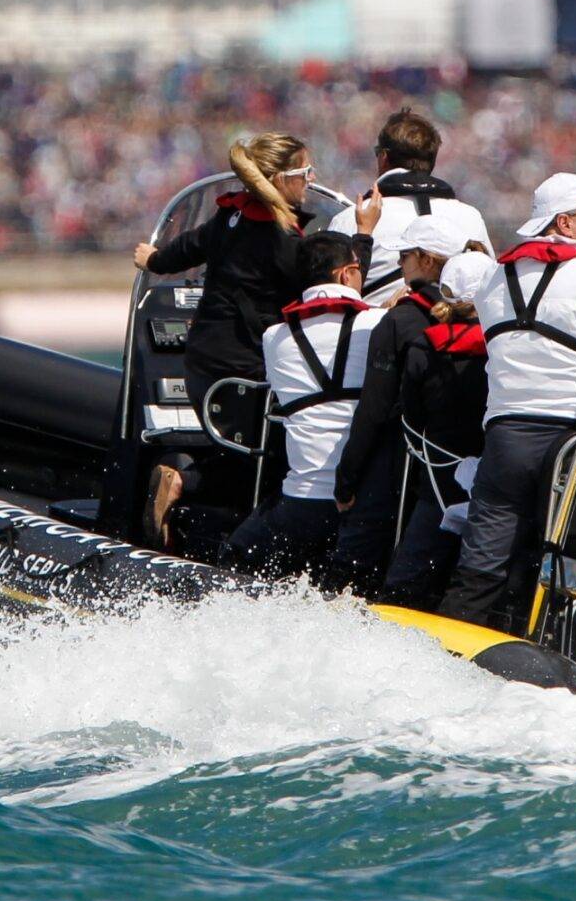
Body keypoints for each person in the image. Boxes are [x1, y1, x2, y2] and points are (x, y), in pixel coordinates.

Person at [435, 173, 576, 632]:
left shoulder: (494, 277)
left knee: (483, 560)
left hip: (505, 435)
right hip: (571, 439)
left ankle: (448, 653)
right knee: (575, 558)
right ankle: (561, 654)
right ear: (566, 224)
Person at [131, 132, 318, 548]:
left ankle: (190, 502)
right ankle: (188, 485)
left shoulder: (229, 217)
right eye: (305, 172)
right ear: (282, 179)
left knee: (246, 450)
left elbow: (181, 250)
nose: (311, 179)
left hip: (202, 364)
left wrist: (153, 258)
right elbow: (319, 291)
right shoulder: (285, 240)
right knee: (279, 462)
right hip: (244, 372)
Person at [321, 216, 479, 595]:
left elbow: (374, 411)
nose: (398, 265)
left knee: (374, 581)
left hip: (411, 472)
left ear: (426, 261)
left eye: (405, 256)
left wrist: (345, 480)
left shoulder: (400, 320)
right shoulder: (495, 316)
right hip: (480, 472)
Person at [222, 232, 385, 577]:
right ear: (346, 274)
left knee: (233, 557)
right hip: (360, 508)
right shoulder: (379, 325)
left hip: (299, 506)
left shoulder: (274, 337)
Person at [377, 253, 496, 609]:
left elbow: (412, 414)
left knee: (407, 580)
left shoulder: (423, 346)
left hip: (438, 473)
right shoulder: (501, 347)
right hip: (493, 472)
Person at [326, 109, 492, 303]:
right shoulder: (470, 216)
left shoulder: (350, 218)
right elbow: (488, 286)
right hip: (455, 331)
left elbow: (333, 297)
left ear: (383, 157)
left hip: (376, 330)